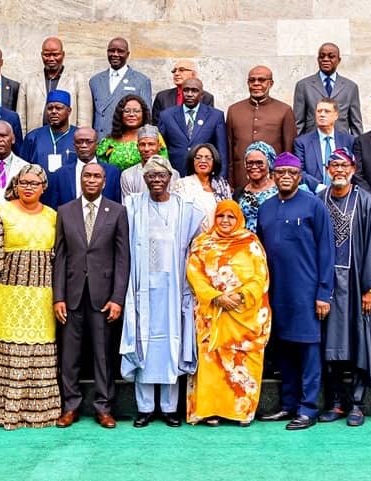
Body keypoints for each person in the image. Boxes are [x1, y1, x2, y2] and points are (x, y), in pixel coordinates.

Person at [0, 164, 61, 430]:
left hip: (42, 297)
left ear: (44, 187)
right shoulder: (0, 213)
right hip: (7, 296)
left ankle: (40, 414)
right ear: (16, 185)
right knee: (8, 354)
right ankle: (3, 413)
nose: (28, 187)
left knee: (39, 355)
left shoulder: (53, 216)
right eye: (24, 182)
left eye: (34, 183)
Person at [121, 156, 205, 428]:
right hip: (142, 286)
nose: (156, 180)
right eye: (151, 176)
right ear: (144, 179)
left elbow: (199, 241)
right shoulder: (132, 206)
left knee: (171, 342)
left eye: (161, 176)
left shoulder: (185, 208)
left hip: (173, 287)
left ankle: (169, 408)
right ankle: (145, 408)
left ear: (171, 178)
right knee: (143, 341)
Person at [256, 152, 334, 431]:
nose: (286, 176)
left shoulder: (314, 206)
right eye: (281, 172)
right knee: (284, 350)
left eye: (291, 172)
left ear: (300, 176)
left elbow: (327, 251)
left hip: (307, 293)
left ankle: (308, 408)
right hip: (276, 294)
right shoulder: (265, 208)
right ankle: (288, 405)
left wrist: (324, 293)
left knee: (308, 351)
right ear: (273, 176)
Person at [316, 148, 371, 427]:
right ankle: (335, 402)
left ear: (352, 168)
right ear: (326, 168)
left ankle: (357, 404)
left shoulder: (366, 202)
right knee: (329, 346)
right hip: (327, 287)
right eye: (333, 165)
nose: (338, 170)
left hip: (358, 286)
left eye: (343, 165)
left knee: (360, 342)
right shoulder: (318, 200)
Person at [53, 162, 131, 429]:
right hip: (72, 295)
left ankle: (104, 407)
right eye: (87, 175)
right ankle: (70, 406)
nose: (91, 180)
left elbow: (123, 259)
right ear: (80, 179)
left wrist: (118, 298)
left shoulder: (118, 212)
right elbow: (60, 257)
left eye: (97, 176)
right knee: (69, 356)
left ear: (104, 181)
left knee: (103, 355)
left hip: (104, 296)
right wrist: (58, 297)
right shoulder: (65, 211)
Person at [185, 200, 271, 427]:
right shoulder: (202, 243)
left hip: (246, 315)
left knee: (244, 361)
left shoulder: (251, 243)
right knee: (213, 361)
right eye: (221, 216)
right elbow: (194, 274)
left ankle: (242, 412)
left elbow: (260, 277)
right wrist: (216, 296)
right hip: (213, 313)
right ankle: (211, 410)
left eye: (231, 217)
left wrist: (240, 296)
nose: (225, 221)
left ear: (239, 219)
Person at [226, 66, 296, 190]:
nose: (256, 83)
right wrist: (230, 181)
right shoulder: (234, 110)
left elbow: (288, 152)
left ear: (271, 83)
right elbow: (229, 151)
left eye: (261, 80)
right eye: (252, 80)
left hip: (273, 182)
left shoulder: (284, 110)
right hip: (241, 179)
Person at [157, 78, 228, 178]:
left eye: (194, 90)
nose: (189, 94)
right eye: (186, 90)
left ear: (202, 94)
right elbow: (161, 148)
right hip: (174, 175)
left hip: (205, 177)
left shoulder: (215, 116)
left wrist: (221, 179)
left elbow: (222, 152)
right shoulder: (166, 115)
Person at [293, 43, 364, 137]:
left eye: (331, 56)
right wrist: (298, 147)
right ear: (318, 59)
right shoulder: (303, 85)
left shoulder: (350, 87)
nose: (326, 59)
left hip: (342, 144)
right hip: (313, 144)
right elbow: (298, 123)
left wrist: (358, 148)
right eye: (322, 57)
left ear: (339, 60)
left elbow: (356, 123)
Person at [90, 37, 152, 139]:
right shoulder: (95, 81)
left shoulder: (141, 80)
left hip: (125, 143)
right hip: (99, 143)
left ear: (127, 54)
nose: (115, 54)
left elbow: (147, 117)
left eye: (120, 51)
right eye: (111, 51)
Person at [45, 127, 122, 209]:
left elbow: (117, 207)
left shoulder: (113, 172)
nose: (84, 145)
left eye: (89, 142)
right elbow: (54, 208)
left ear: (97, 145)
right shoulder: (60, 174)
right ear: (74, 145)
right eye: (79, 142)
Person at [293, 97, 355, 193]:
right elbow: (298, 170)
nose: (322, 114)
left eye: (327, 111)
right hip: (313, 194)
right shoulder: (302, 142)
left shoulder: (349, 140)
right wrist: (317, 186)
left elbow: (354, 169)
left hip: (343, 193)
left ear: (336, 115)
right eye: (319, 111)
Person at [99, 94, 169, 172]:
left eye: (136, 111)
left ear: (143, 114)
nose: (131, 114)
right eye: (127, 111)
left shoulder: (154, 137)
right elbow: (102, 170)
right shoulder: (109, 141)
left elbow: (164, 166)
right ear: (120, 114)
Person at [173, 143, 232, 230]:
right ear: (192, 161)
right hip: (194, 240)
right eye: (198, 157)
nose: (203, 161)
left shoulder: (222, 185)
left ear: (214, 161)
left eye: (208, 158)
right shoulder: (182, 185)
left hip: (221, 238)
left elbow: (230, 213)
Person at [20, 90, 76, 172]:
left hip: (70, 184)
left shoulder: (78, 136)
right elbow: (23, 169)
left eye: (58, 108)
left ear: (69, 111)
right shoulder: (33, 137)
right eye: (50, 108)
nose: (53, 112)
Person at [233, 141, 280, 233]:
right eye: (250, 163)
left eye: (259, 163)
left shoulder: (279, 191)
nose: (254, 167)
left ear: (269, 164)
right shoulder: (239, 193)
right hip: (248, 244)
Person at [119, 127, 178, 198]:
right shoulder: (128, 175)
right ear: (137, 147)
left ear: (159, 146)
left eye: (151, 144)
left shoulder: (173, 174)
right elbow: (128, 205)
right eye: (142, 145)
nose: (146, 149)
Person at [151, 60, 215, 125]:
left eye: (181, 70)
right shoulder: (162, 97)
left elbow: (209, 125)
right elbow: (155, 125)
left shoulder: (206, 98)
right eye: (174, 71)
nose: (176, 73)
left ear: (194, 74)